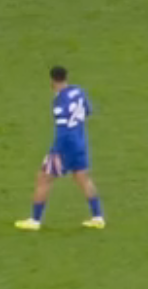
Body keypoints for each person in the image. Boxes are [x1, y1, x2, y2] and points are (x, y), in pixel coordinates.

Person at [15, 66, 104, 231]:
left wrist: (56, 151)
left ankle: (35, 220)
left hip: (65, 145)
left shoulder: (59, 103)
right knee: (83, 178)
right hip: (80, 142)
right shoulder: (78, 91)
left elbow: (64, 129)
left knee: (43, 178)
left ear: (52, 81)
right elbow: (88, 111)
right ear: (66, 77)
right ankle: (98, 217)